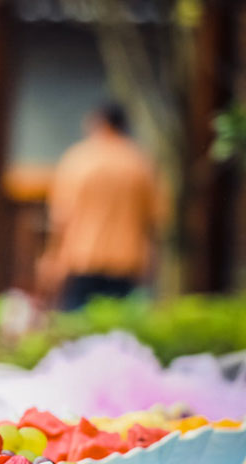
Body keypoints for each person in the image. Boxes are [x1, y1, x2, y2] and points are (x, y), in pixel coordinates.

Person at [40, 102, 166, 311]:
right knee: (120, 329)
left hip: (82, 257)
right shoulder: (141, 163)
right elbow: (156, 218)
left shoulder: (79, 160)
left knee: (77, 327)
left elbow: (60, 217)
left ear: (100, 123)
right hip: (129, 259)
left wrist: (51, 258)